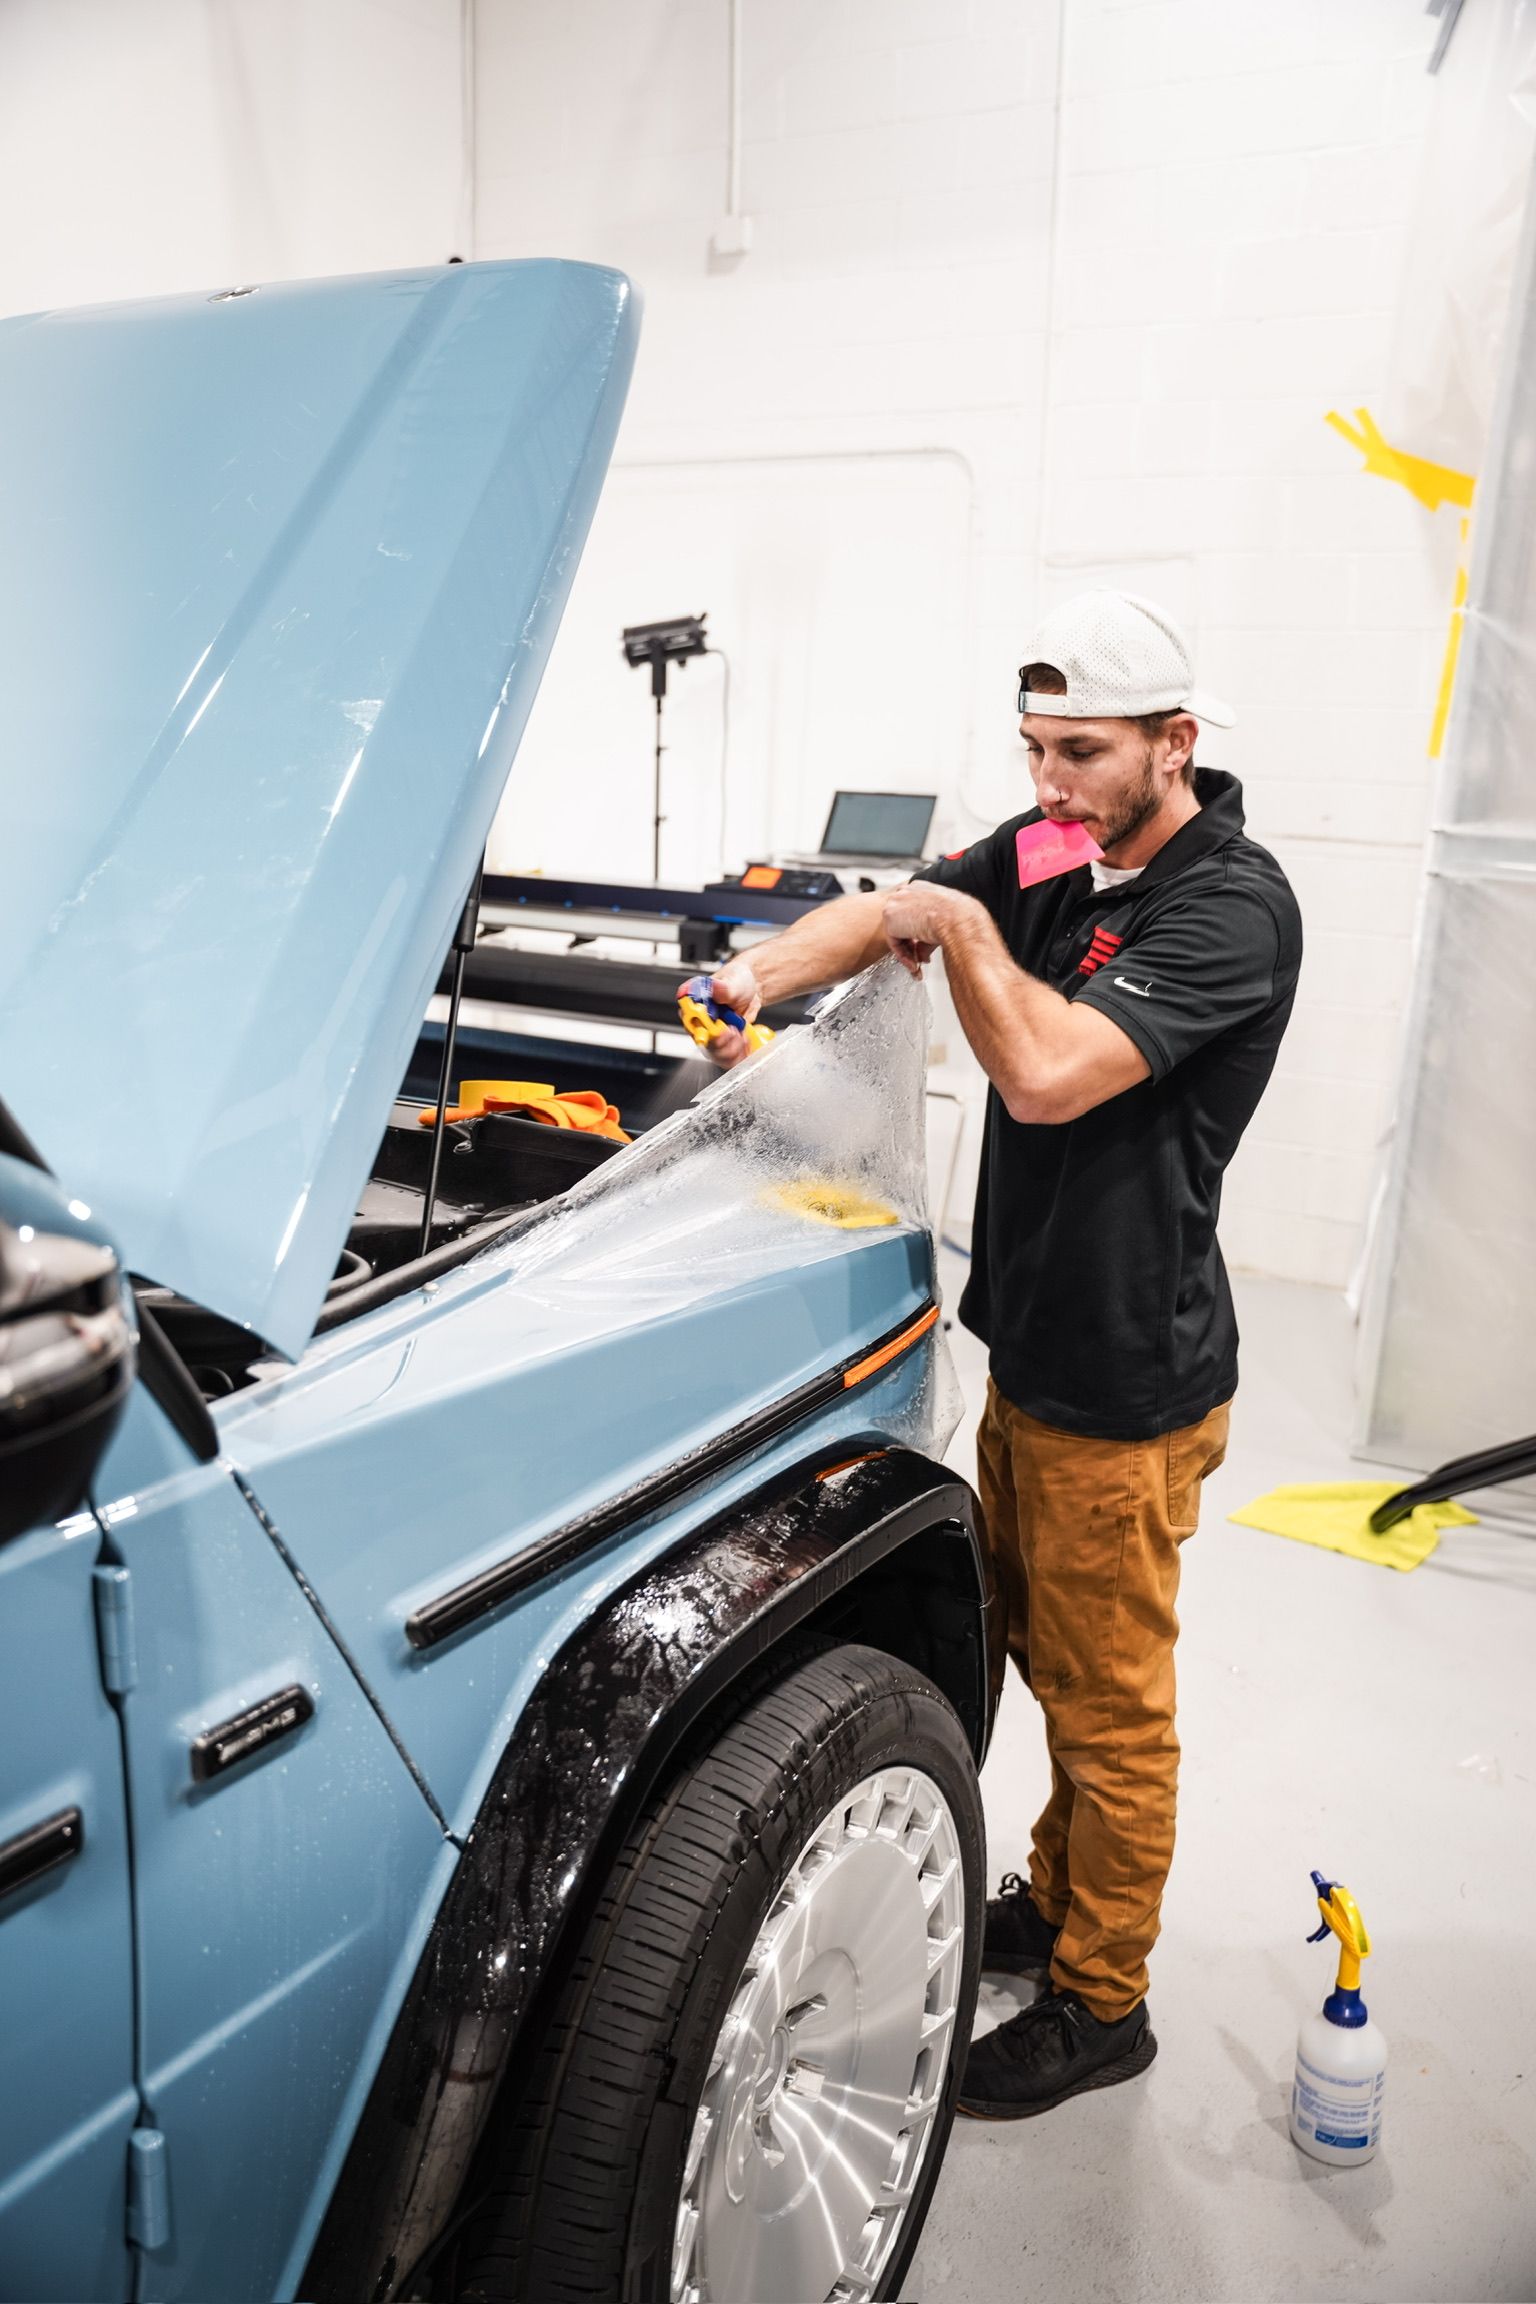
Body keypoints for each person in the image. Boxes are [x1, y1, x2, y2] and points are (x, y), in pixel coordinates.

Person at [690, 589, 1302, 2119]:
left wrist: (958, 930)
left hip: (1125, 1386)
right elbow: (895, 905)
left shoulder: (1226, 905)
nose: (1046, 785)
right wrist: (758, 980)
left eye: (1080, 753)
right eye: (1031, 750)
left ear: (1177, 742)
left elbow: (1038, 1076)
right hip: (1032, 1349)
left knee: (1110, 1706)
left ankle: (1108, 2000)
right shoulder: (1055, 851)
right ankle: (1057, 1896)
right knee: (1039, 1656)